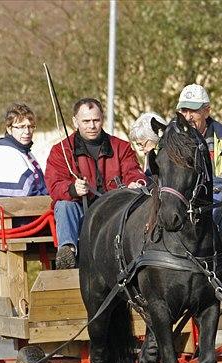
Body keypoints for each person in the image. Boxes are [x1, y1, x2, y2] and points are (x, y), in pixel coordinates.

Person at [45, 98, 146, 269]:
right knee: (64, 205)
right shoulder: (60, 151)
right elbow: (54, 185)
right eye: (86, 121)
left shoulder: (122, 147)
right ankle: (67, 251)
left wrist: (135, 183)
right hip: (80, 211)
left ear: (102, 119)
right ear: (75, 121)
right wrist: (73, 189)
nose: (91, 126)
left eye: (96, 120)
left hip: (113, 210)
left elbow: (133, 172)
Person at [176, 83, 222, 200]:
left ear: (207, 111)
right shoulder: (172, 142)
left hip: (217, 202)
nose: (188, 117)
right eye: (184, 111)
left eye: (193, 111)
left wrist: (202, 188)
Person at [0, 103, 47, 208]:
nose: (27, 132)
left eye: (30, 127)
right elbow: (27, 192)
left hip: (31, 213)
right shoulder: (4, 153)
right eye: (21, 127)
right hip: (14, 219)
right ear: (9, 129)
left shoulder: (25, 151)